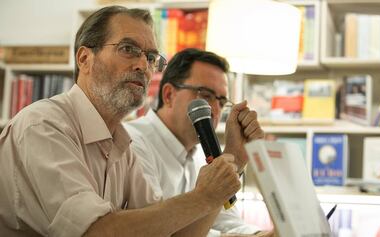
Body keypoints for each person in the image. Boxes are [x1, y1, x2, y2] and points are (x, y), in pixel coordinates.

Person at [0, 6, 242, 237]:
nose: (143, 66)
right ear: (85, 58)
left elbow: (169, 232)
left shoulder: (121, 144)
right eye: (128, 49)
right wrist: (202, 197)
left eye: (150, 57)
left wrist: (226, 172)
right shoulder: (43, 126)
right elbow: (93, 232)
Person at [124, 48, 273, 237]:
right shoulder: (132, 144)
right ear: (169, 95)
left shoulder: (204, 154)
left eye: (221, 101)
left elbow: (228, 225)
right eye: (205, 95)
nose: (214, 109)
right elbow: (159, 232)